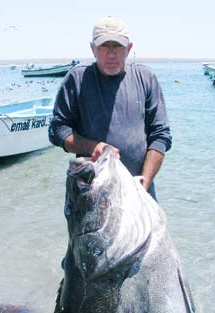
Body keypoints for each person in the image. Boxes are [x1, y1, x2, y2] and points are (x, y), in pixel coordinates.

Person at [48, 16, 172, 200]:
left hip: (140, 190)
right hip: (93, 194)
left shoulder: (146, 78)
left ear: (129, 48)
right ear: (93, 48)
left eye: (118, 46)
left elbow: (160, 136)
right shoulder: (77, 79)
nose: (111, 53)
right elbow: (57, 130)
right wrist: (94, 147)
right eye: (104, 46)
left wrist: (143, 185)